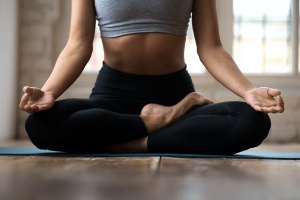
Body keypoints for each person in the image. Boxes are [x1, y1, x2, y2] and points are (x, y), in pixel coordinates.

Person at [19, 0, 284, 154]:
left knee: (252, 121)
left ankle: (126, 142)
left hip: (174, 100)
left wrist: (248, 91)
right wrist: (50, 91)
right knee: (40, 125)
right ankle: (154, 125)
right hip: (113, 99)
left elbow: (211, 47)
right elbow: (78, 45)